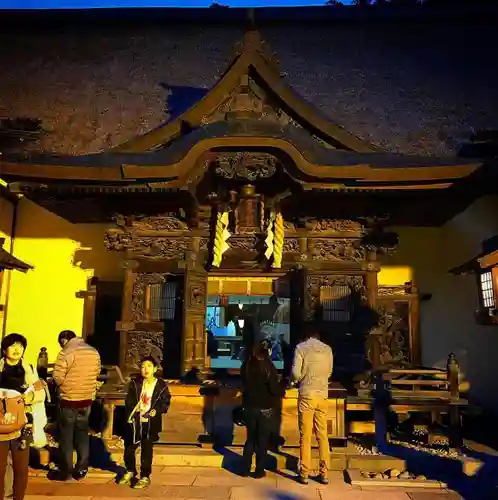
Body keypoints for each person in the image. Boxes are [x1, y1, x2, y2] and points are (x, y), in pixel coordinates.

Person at [0, 333, 46, 500]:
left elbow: (40, 394)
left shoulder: (30, 369)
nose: (16, 349)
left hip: (23, 425)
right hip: (1, 425)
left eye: (20, 346)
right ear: (4, 349)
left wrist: (30, 397)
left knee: (21, 468)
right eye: (12, 346)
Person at [52, 330, 101, 481]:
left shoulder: (65, 353)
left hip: (68, 400)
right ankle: (82, 468)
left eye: (61, 342)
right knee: (82, 433)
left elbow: (57, 377)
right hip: (86, 400)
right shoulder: (93, 352)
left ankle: (66, 470)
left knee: (66, 436)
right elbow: (97, 372)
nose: (61, 345)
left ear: (65, 340)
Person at [118, 356, 170, 489]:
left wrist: (157, 411)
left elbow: (165, 401)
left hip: (150, 422)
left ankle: (145, 476)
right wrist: (132, 413)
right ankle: (130, 470)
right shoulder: (135, 383)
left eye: (149, 366)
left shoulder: (160, 385)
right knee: (129, 448)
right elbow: (129, 401)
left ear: (155, 369)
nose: (145, 369)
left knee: (146, 449)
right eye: (143, 366)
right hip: (135, 420)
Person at [291, 330, 333, 485]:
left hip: (307, 394)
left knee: (305, 435)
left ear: (306, 336)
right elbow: (329, 372)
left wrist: (298, 380)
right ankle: (325, 473)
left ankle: (304, 472)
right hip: (322, 394)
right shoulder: (327, 349)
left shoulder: (301, 348)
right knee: (322, 434)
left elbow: (296, 373)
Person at [240, 342, 283, 479]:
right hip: (265, 407)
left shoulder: (246, 365)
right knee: (262, 440)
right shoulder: (269, 366)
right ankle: (259, 470)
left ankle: (244, 469)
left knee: (250, 439)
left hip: (249, 407)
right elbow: (274, 389)